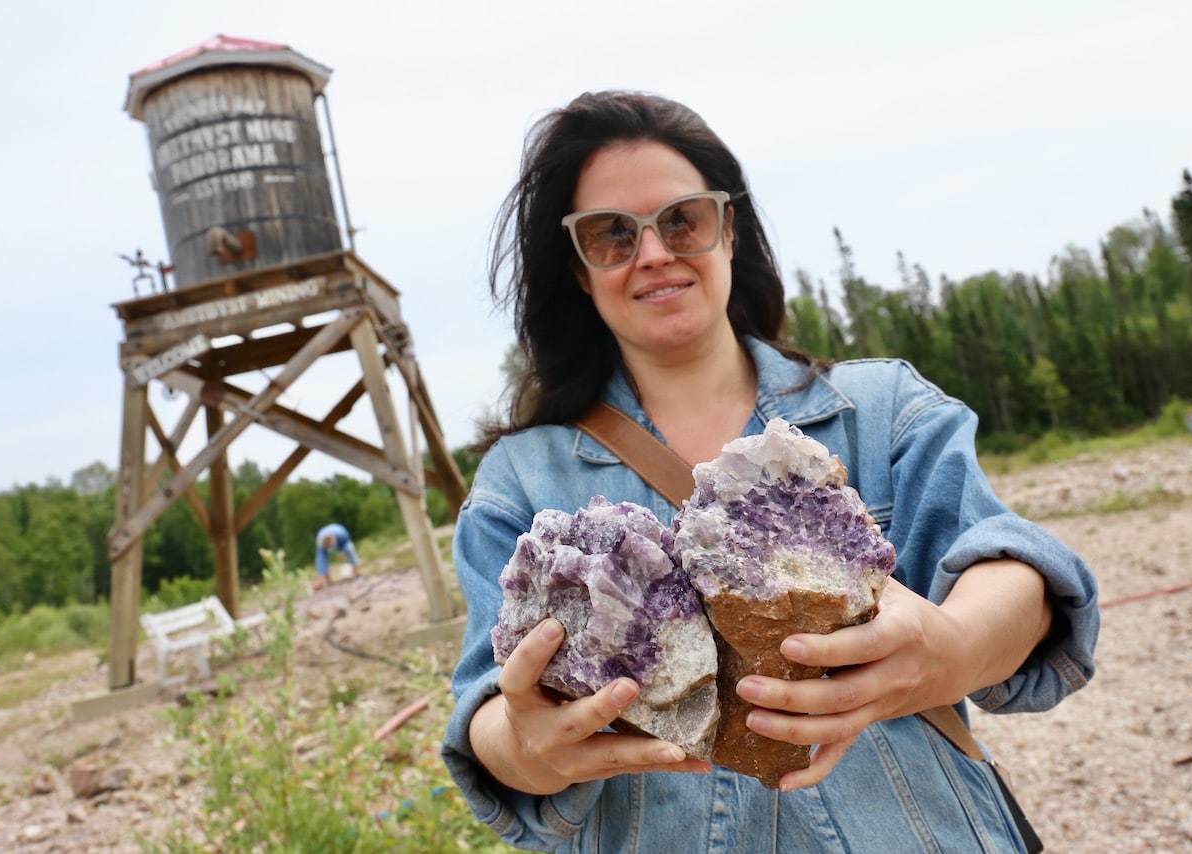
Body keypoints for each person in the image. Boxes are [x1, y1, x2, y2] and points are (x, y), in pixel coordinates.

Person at [441, 90, 1100, 852]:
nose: (653, 254)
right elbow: (488, 712)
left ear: (730, 230)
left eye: (681, 220)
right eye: (611, 234)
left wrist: (949, 648)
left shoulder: (880, 410)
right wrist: (526, 744)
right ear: (580, 270)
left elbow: (1015, 573)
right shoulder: (520, 482)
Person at [313, 522, 359, 589]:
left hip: (341, 536)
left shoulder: (341, 534)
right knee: (322, 560)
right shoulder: (320, 544)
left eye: (330, 546)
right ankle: (329, 582)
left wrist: (344, 551)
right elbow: (320, 562)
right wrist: (320, 581)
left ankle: (356, 575)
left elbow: (347, 541)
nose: (329, 548)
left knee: (350, 550)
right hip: (324, 538)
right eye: (327, 548)